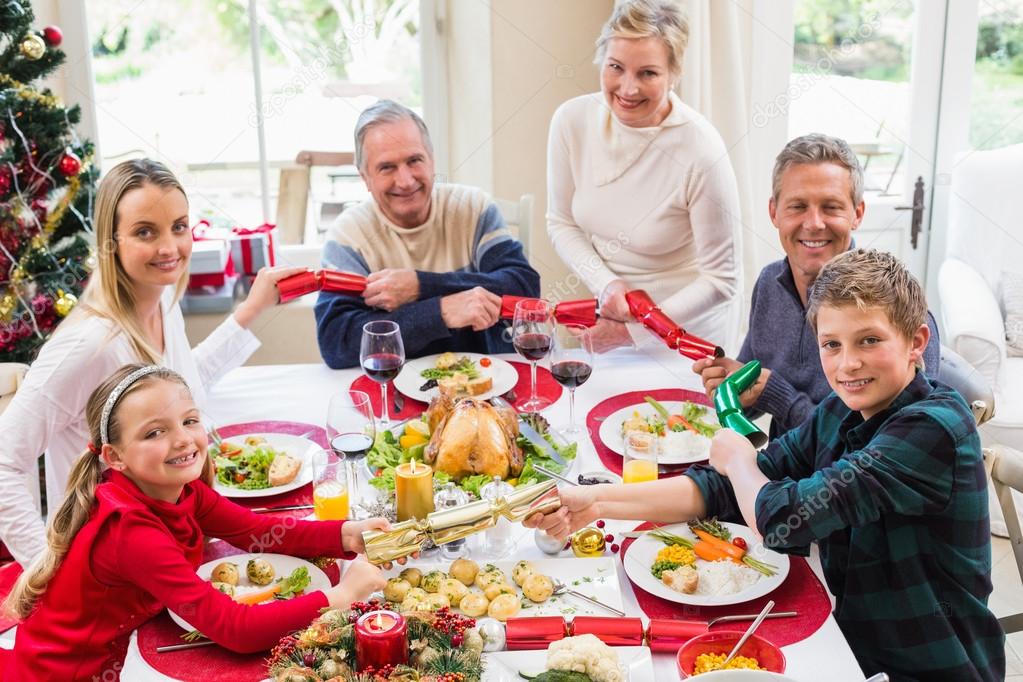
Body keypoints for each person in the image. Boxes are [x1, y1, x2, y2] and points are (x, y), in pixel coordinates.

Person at [527, 250, 1004, 680]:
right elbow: (720, 490)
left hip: (932, 666)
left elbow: (782, 517)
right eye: (831, 344)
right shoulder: (842, 411)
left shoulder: (934, 429)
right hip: (855, 646)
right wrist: (595, 503)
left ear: (916, 341)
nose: (848, 364)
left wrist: (739, 460)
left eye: (869, 340)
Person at [0, 159, 305, 567]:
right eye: (146, 232)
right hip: (107, 566)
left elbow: (185, 387)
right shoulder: (89, 344)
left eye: (179, 227)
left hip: (169, 543)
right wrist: (46, 569)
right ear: (111, 242)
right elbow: (4, 460)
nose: (169, 248)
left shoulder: (161, 300)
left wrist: (251, 309)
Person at [1, 364, 390, 680]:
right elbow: (235, 630)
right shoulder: (131, 531)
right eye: (155, 432)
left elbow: (257, 532)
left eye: (189, 421)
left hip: (132, 636)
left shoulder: (178, 488)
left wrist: (345, 535)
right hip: (81, 670)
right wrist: (338, 598)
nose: (183, 439)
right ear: (114, 457)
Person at [693, 134, 940, 440]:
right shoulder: (769, 284)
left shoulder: (898, 310)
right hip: (782, 469)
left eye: (831, 207)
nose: (813, 223)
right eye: (797, 207)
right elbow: (754, 397)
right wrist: (732, 387)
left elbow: (879, 448)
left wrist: (778, 396)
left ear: (857, 214)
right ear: (774, 213)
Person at [546, 0, 742, 354]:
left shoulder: (701, 148)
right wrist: (606, 285)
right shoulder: (571, 121)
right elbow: (560, 222)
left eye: (648, 73)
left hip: (683, 334)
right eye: (616, 67)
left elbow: (722, 280)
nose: (628, 88)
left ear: (674, 74)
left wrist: (635, 332)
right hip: (609, 321)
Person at [315, 100, 540, 369]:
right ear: (365, 177)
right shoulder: (348, 237)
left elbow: (525, 290)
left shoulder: (473, 208)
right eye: (387, 167)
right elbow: (336, 343)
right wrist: (440, 312)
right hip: (396, 387)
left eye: (414, 160)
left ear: (431, 160)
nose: (406, 180)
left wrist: (421, 286)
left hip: (486, 380)